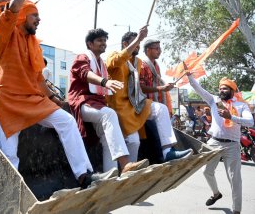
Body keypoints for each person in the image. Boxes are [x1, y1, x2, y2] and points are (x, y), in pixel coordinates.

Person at [0, 0, 117, 189]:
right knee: (9, 155)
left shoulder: (34, 45)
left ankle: (85, 176)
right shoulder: (6, 34)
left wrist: (57, 101)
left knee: (66, 121)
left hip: (32, 99)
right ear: (22, 16)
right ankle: (12, 198)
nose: (38, 19)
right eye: (34, 15)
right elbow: (13, 6)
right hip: (6, 101)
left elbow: (38, 80)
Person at [68, 28, 149, 173]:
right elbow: (85, 74)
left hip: (98, 104)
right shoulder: (82, 57)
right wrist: (105, 82)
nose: (103, 43)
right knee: (109, 114)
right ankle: (125, 164)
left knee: (106, 137)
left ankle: (109, 174)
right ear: (89, 44)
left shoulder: (101, 63)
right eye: (99, 40)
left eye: (105, 41)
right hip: (83, 102)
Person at [106, 30, 193, 163]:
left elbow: (137, 87)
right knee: (134, 141)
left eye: (139, 43)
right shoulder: (114, 55)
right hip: (120, 106)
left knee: (161, 109)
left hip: (136, 103)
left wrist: (162, 88)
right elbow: (117, 61)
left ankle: (167, 152)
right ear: (124, 44)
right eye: (135, 42)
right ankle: (130, 170)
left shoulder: (139, 62)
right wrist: (138, 38)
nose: (138, 46)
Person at [185, 67, 254, 214]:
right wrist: (190, 77)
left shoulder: (241, 105)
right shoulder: (213, 100)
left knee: (234, 179)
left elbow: (250, 122)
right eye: (220, 88)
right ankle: (216, 194)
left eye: (225, 88)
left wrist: (232, 117)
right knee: (206, 171)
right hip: (214, 142)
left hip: (232, 145)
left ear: (232, 90)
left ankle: (236, 210)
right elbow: (199, 89)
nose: (221, 90)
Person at [140, 39, 173, 113]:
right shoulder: (142, 65)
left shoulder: (156, 66)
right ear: (148, 50)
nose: (159, 51)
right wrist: (161, 88)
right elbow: (141, 88)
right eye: (156, 48)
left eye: (160, 48)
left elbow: (159, 85)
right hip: (146, 104)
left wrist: (165, 87)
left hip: (157, 103)